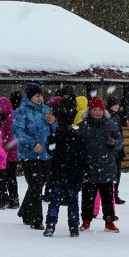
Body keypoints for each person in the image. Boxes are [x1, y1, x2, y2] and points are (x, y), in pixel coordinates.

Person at [14, 83, 57, 229]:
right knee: (36, 185)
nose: (40, 98)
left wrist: (54, 123)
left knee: (38, 184)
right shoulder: (21, 112)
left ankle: (25, 211)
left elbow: (54, 131)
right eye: (37, 95)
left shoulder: (47, 110)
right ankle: (36, 219)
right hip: (29, 154)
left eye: (41, 95)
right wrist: (32, 144)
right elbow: (18, 133)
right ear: (29, 96)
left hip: (46, 154)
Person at [79, 97, 123, 232]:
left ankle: (109, 222)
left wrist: (114, 143)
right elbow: (77, 146)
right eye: (94, 110)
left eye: (100, 110)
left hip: (106, 167)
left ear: (104, 111)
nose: (97, 112)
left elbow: (120, 140)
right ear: (89, 111)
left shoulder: (111, 125)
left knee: (108, 197)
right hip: (89, 167)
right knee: (87, 197)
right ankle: (86, 221)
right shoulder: (83, 126)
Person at [44, 97, 85, 237]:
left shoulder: (54, 135)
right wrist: (83, 172)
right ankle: (73, 226)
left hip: (57, 172)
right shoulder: (77, 137)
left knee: (54, 201)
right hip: (73, 174)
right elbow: (82, 156)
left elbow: (50, 150)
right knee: (73, 201)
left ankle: (50, 225)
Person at [0, 96, 20, 209]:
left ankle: (13, 199)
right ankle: (13, 198)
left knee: (9, 176)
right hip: (10, 151)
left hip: (10, 152)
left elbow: (12, 137)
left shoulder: (10, 118)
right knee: (10, 176)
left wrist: (2, 144)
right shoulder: (8, 117)